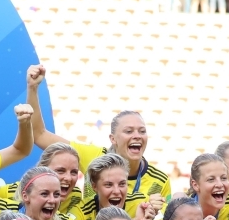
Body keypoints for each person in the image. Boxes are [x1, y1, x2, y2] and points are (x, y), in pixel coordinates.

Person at [27, 64, 170, 202]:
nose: (137, 135)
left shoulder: (160, 181)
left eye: (142, 131)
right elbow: (39, 135)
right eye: (129, 131)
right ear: (113, 139)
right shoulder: (94, 157)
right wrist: (33, 88)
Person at [68, 153, 158, 220]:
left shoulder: (142, 203)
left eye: (122, 184)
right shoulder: (83, 210)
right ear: (94, 186)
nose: (116, 191)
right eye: (108, 185)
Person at [0, 142, 83, 217]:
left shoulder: (75, 195)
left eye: (74, 172)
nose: (68, 178)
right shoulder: (7, 193)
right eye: (60, 171)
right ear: (42, 168)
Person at [188, 152, 229, 220]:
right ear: (195, 185)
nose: (220, 184)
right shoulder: (183, 210)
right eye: (211, 179)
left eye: (223, 178)